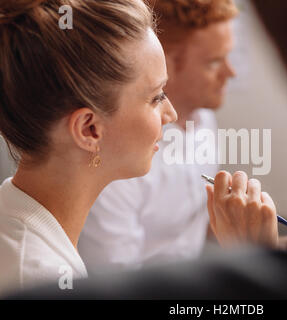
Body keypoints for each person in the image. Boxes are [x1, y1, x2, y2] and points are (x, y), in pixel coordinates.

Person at [14, 0, 287, 299]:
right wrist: (258, 261)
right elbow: (122, 283)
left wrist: (269, 252)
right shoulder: (114, 177)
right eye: (157, 95)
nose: (231, 73)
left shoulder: (197, 127)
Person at [0, 0, 179, 297]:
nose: (171, 115)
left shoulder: (7, 217)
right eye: (156, 97)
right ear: (89, 130)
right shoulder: (39, 280)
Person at [78, 0, 238, 272]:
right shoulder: (118, 159)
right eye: (214, 62)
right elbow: (116, 282)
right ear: (167, 62)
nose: (230, 73)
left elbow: (196, 219)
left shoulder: (204, 120)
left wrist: (268, 247)